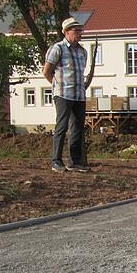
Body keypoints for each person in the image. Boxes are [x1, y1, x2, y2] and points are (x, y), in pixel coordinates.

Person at [43, 17, 90, 173]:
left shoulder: (83, 51)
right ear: (67, 32)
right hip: (63, 94)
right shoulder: (58, 48)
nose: (80, 33)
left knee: (77, 128)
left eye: (80, 30)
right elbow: (47, 71)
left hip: (79, 95)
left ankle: (75, 161)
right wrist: (57, 86)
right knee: (61, 127)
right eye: (77, 30)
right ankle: (56, 160)